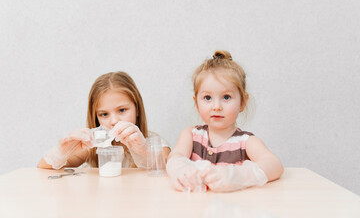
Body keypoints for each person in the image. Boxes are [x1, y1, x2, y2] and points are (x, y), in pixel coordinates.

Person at [166, 50, 284, 192]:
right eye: (207, 98)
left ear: (242, 102)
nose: (216, 107)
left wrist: (237, 176)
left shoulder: (246, 142)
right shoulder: (190, 135)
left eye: (226, 97)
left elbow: (274, 165)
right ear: (196, 103)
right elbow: (175, 157)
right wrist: (180, 171)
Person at [38, 71, 170, 169]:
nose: (114, 121)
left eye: (122, 110)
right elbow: (42, 169)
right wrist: (60, 152)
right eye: (104, 114)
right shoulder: (92, 147)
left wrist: (143, 151)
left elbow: (167, 168)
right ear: (95, 116)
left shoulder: (155, 142)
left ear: (138, 109)